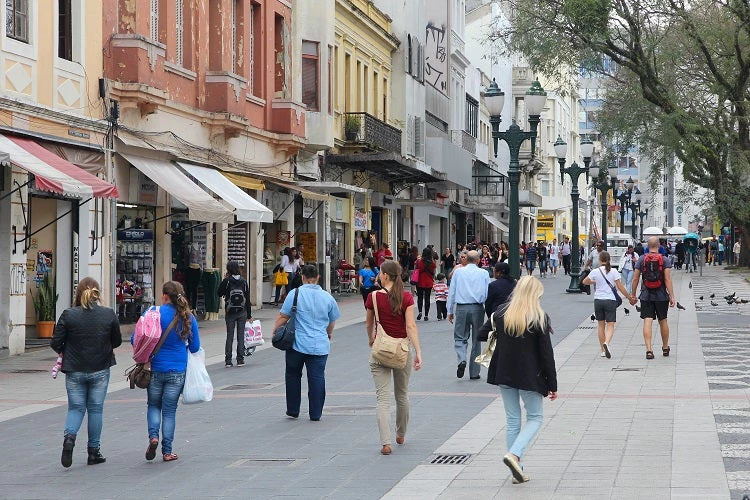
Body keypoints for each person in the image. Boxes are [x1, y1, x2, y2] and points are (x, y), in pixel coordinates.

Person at [477, 276, 558, 484]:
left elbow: (480, 335)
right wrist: (552, 384)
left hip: (504, 372)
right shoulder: (539, 317)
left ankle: (517, 470)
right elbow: (546, 354)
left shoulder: (501, 313)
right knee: (535, 418)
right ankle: (514, 455)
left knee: (513, 419)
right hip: (530, 375)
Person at [51, 278, 121, 468]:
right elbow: (117, 341)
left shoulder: (69, 315)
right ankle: (93, 452)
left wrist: (67, 350)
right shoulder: (108, 314)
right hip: (100, 368)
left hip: (74, 369)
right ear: (98, 293)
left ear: (78, 293)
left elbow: (55, 343)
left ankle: (70, 438)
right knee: (96, 409)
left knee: (75, 408)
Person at [138, 281, 201, 462]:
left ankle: (153, 437)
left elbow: (137, 337)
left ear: (164, 295)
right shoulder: (188, 317)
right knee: (169, 411)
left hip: (154, 369)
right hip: (177, 370)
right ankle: (167, 451)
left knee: (153, 405)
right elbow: (195, 347)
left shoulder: (152, 313)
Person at [365, 260, 423, 455]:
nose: (378, 275)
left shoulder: (373, 297)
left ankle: (386, 443)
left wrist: (371, 339)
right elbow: (411, 326)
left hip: (380, 351)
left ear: (386, 276)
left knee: (382, 398)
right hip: (402, 351)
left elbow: (368, 324)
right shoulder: (406, 297)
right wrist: (418, 353)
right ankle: (401, 434)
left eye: (380, 273)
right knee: (402, 394)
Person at [273, 265, 340, 421]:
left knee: (292, 375)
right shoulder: (327, 297)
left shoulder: (294, 293)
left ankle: (293, 409)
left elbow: (283, 316)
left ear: (302, 277)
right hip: (320, 345)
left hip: (296, 344)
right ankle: (315, 413)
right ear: (318, 278)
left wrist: (275, 331)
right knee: (317, 377)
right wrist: (328, 333)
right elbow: (332, 321)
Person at [447, 250, 491, 380]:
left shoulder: (458, 272)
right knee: (477, 340)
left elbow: (452, 291)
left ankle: (462, 359)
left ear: (466, 259)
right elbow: (487, 292)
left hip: (461, 307)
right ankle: (474, 372)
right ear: (478, 260)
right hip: (477, 308)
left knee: (460, 336)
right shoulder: (484, 273)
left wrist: (450, 310)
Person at [630, 236, 676, 360]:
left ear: (647, 246)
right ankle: (665, 347)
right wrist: (672, 296)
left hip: (646, 295)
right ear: (659, 246)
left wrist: (633, 295)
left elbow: (635, 279)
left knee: (647, 321)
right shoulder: (664, 259)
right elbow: (667, 279)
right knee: (663, 321)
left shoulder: (641, 259)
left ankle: (649, 350)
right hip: (661, 295)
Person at [582, 252, 634, 359]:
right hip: (610, 300)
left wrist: (595, 282)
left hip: (598, 300)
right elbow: (620, 287)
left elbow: (585, 281)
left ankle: (602, 350)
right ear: (609, 260)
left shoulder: (595, 271)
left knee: (601, 325)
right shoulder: (613, 271)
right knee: (610, 325)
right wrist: (629, 297)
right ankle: (607, 342)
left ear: (600, 260)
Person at [217, 261, 252, 367]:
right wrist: (249, 315)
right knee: (241, 336)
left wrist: (224, 280)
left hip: (230, 312)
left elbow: (219, 293)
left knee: (230, 336)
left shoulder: (227, 281)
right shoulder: (244, 282)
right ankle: (240, 359)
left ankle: (228, 360)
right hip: (242, 312)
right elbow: (248, 298)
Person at [414, 247, 437, 321]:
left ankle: (420, 311)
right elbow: (433, 272)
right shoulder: (432, 262)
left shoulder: (419, 261)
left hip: (420, 281)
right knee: (427, 298)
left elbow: (416, 270)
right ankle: (426, 315)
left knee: (420, 297)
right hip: (428, 281)